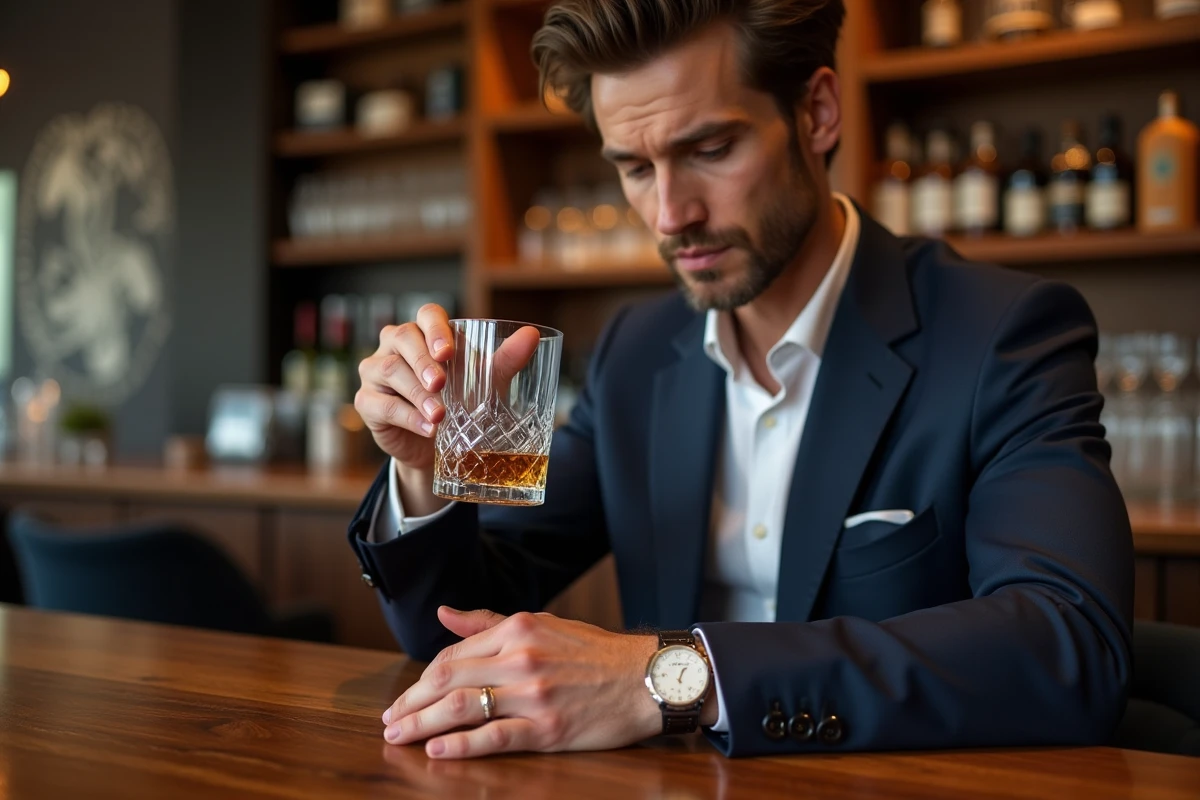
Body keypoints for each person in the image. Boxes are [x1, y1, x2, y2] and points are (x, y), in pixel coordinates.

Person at [348, 0, 1132, 760]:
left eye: (710, 149)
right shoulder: (639, 350)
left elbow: (1069, 643)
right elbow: (452, 626)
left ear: (818, 112)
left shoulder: (1001, 333)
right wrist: (423, 475)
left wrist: (667, 678)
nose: (667, 214)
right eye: (633, 167)